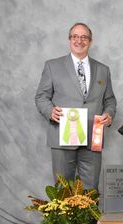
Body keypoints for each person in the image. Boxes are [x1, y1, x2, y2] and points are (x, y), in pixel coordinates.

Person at [35, 22, 117, 189]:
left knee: (90, 190)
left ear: (90, 41)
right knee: (62, 191)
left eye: (84, 37)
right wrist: (50, 111)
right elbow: (41, 97)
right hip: (62, 136)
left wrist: (109, 114)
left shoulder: (103, 69)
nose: (79, 40)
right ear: (69, 40)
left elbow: (110, 100)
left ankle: (89, 217)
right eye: (75, 36)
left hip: (92, 138)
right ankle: (63, 217)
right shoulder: (52, 66)